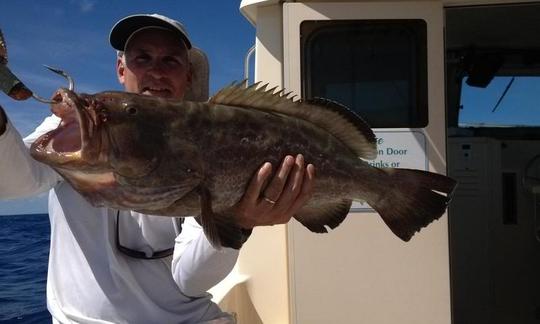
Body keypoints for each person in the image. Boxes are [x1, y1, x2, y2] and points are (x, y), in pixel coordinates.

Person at [0, 14, 315, 324]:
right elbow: (16, 181)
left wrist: (239, 221)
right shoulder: (75, 130)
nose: (156, 71)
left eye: (170, 61)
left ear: (188, 75)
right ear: (121, 69)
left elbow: (190, 279)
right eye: (143, 58)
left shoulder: (204, 140)